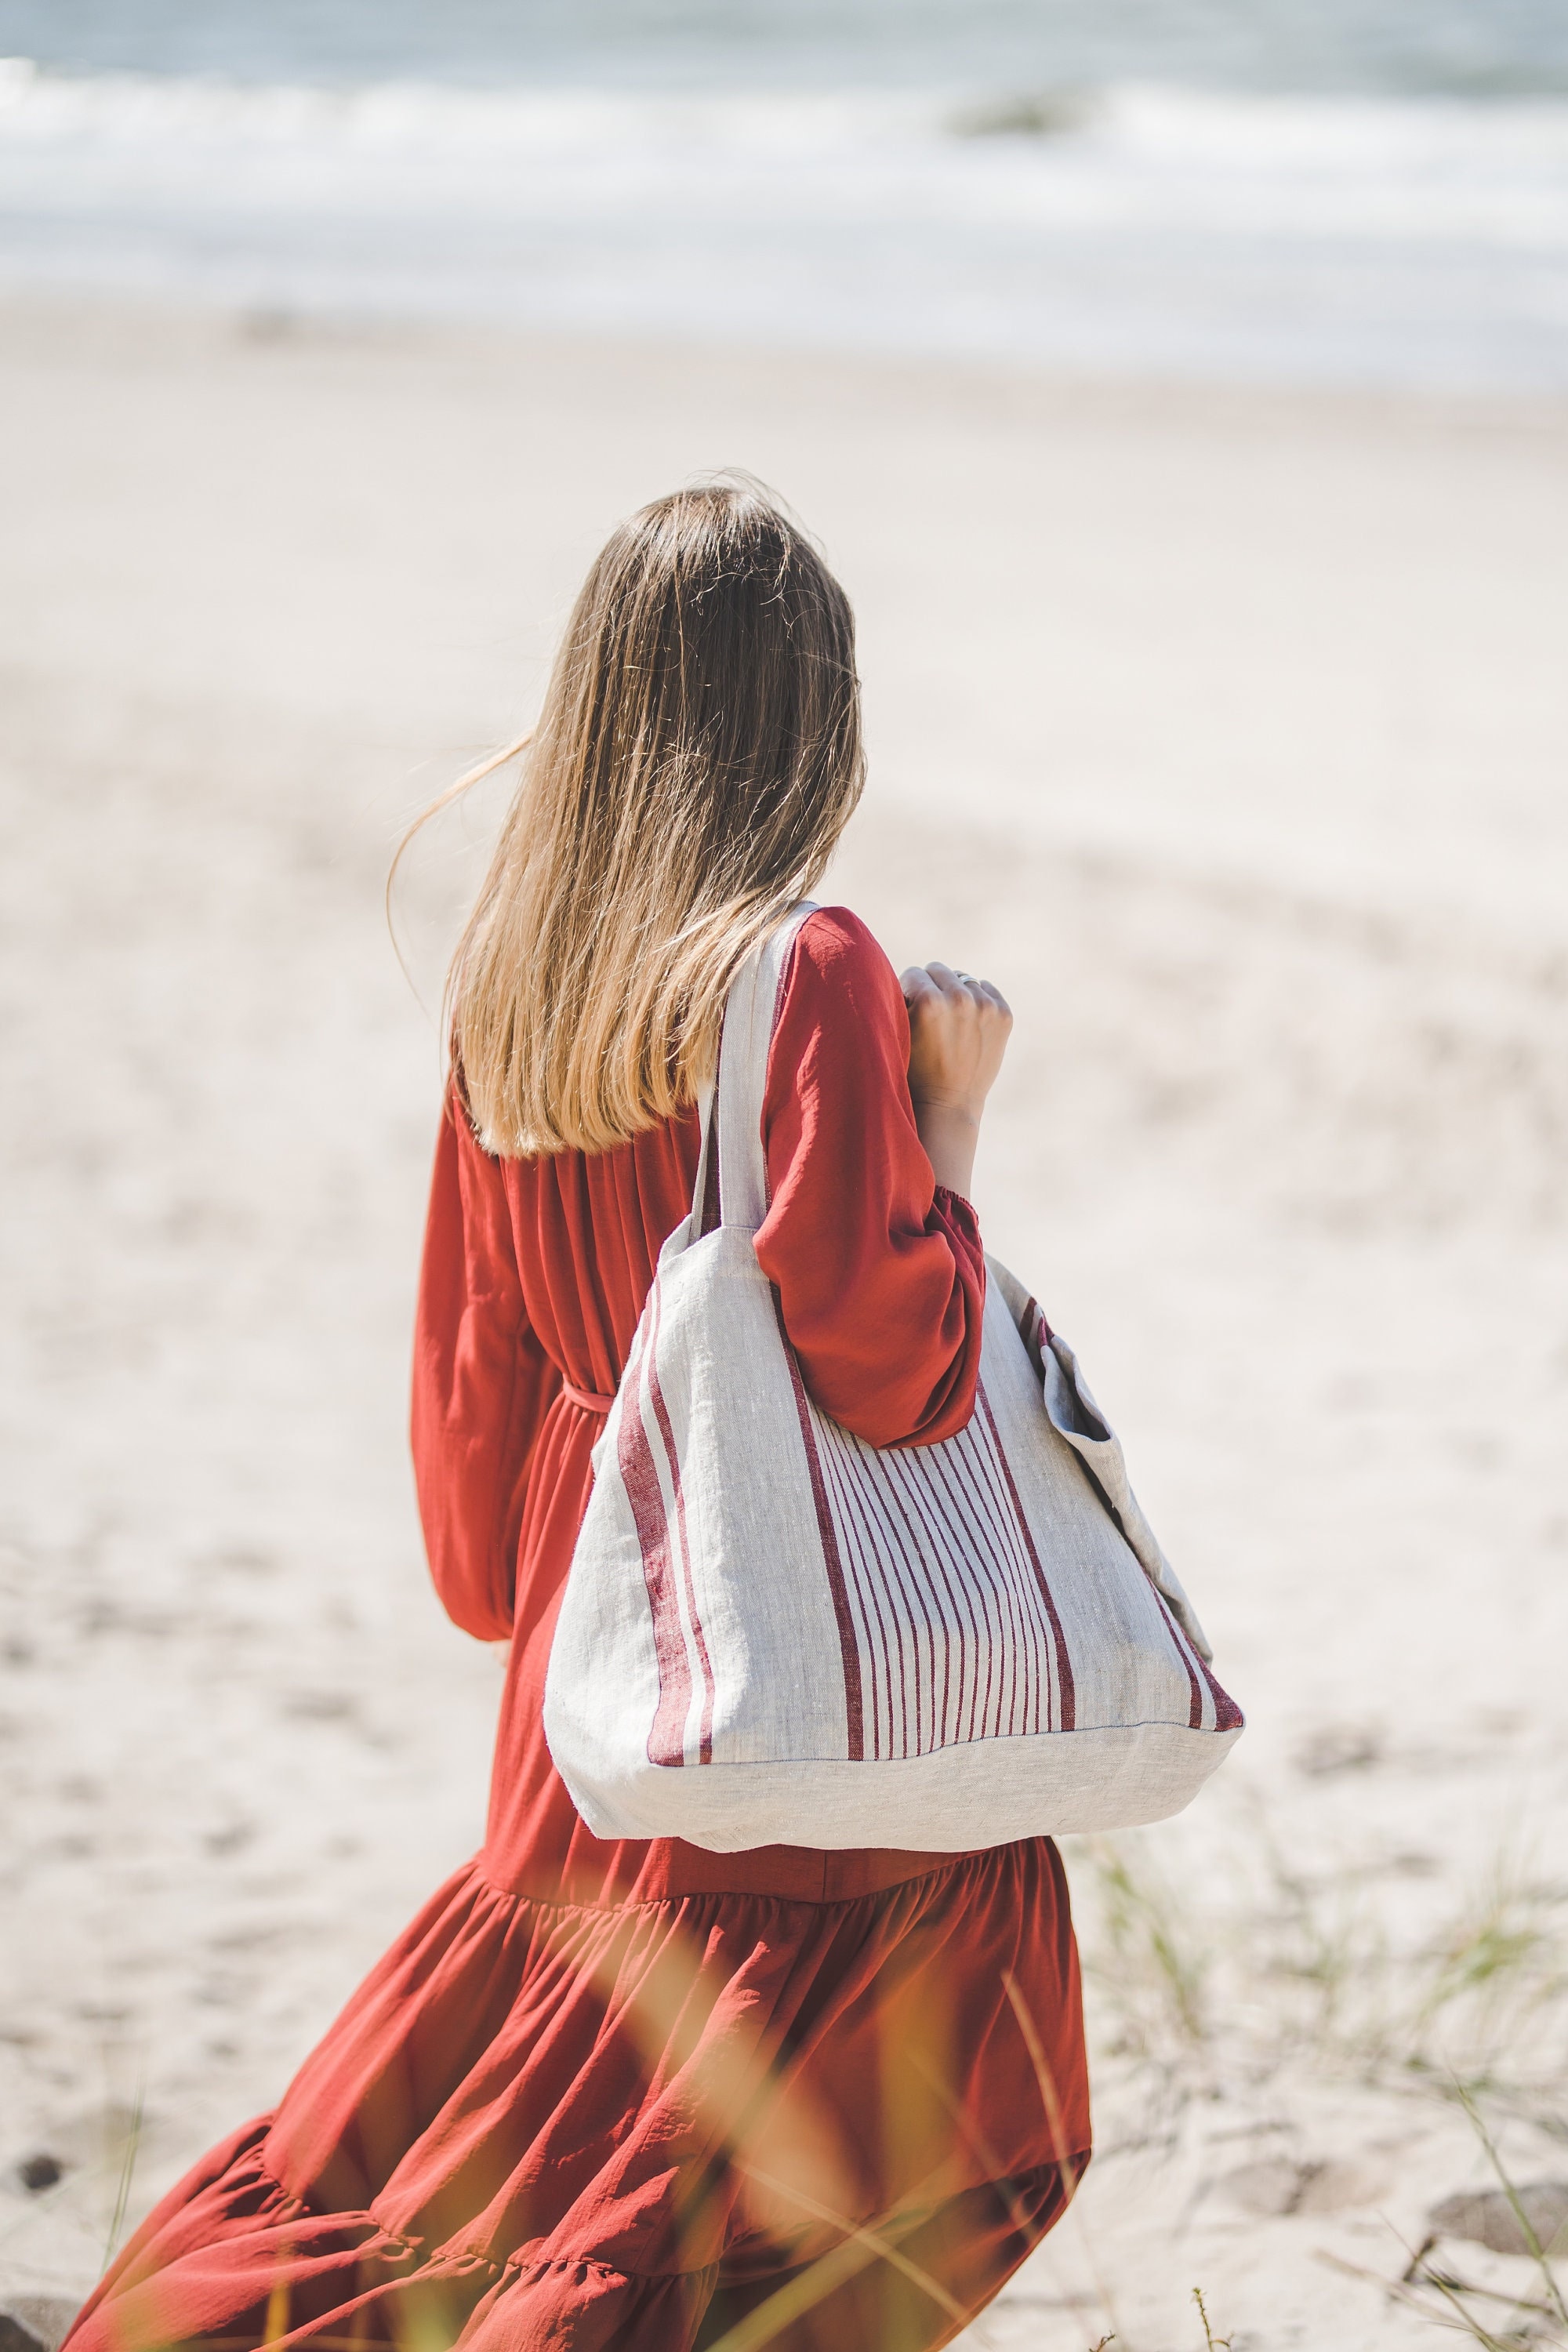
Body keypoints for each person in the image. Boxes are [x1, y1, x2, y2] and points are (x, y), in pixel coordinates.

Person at [67, 481, 1090, 2352]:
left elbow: (468, 1420)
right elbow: (889, 1359)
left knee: (500, 2161)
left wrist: (516, 1596)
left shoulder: (515, 990)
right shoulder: (810, 976)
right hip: (775, 1684)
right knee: (909, 2106)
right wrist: (949, 1131)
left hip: (594, 1646)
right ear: (816, 726)